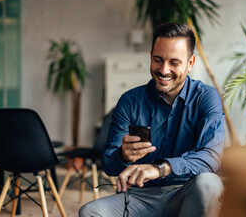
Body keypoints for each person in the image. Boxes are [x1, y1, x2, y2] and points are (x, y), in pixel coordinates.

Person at [79, 22, 225, 217]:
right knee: (90, 212)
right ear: (150, 56)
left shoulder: (206, 97)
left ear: (190, 64)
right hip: (139, 197)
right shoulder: (130, 101)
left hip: (186, 193)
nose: (164, 70)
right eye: (158, 60)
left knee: (209, 183)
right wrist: (123, 156)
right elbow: (109, 164)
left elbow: (211, 158)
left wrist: (161, 168)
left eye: (174, 62)